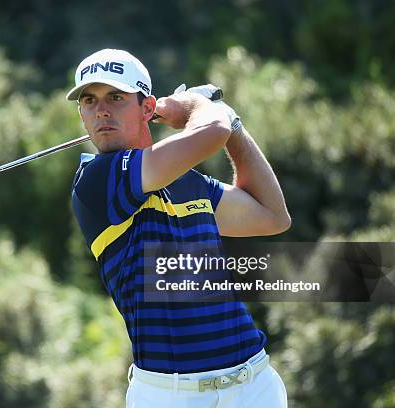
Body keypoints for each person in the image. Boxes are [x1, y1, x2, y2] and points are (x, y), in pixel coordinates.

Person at [68, 48, 291, 407]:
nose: (101, 110)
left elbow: (272, 216)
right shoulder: (97, 179)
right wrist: (194, 108)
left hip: (254, 383)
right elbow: (210, 129)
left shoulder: (189, 184)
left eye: (116, 97)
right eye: (89, 101)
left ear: (146, 108)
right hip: (169, 394)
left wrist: (233, 125)